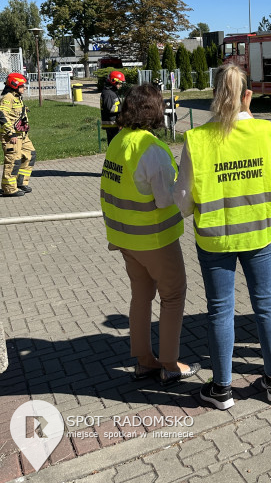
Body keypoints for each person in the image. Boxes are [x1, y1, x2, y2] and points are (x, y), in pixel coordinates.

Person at [175, 64, 271, 409]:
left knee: (220, 311)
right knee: (266, 303)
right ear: (245, 94)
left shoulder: (197, 139)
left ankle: (222, 389)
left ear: (213, 95)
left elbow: (182, 199)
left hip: (215, 238)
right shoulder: (264, 131)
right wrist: (247, 111)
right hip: (259, 233)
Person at [100, 83, 199, 387]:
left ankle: (144, 361)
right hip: (155, 239)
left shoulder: (119, 142)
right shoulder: (152, 149)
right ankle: (170, 364)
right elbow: (165, 199)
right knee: (173, 295)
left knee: (140, 297)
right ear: (155, 112)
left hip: (125, 239)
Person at [1, 72, 36, 197]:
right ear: (14, 85)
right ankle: (9, 188)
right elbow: (2, 116)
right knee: (13, 161)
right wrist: (11, 134)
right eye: (22, 86)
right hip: (12, 137)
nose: (24, 88)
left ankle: (20, 183)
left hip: (22, 136)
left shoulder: (17, 97)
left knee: (30, 155)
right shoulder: (8, 98)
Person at [101, 70, 126, 144]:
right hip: (112, 124)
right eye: (119, 83)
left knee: (114, 145)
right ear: (113, 81)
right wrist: (123, 107)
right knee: (115, 145)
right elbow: (110, 108)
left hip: (113, 124)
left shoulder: (110, 92)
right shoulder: (109, 94)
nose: (120, 85)